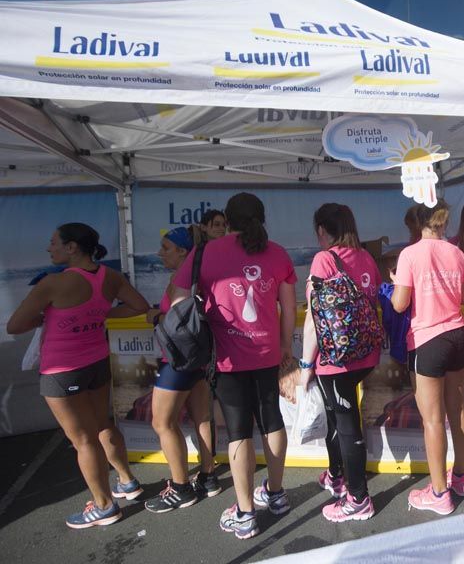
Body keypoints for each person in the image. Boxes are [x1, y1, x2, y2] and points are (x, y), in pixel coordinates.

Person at [7, 223, 149, 529]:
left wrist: (47, 315)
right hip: (96, 362)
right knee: (102, 426)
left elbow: (14, 326)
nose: (49, 248)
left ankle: (103, 506)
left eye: (53, 242)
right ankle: (126, 482)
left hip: (62, 372)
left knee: (83, 441)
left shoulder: (53, 284)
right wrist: (102, 314)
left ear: (72, 247)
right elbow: (139, 307)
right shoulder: (109, 277)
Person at [172, 193, 297, 539]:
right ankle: (275, 493)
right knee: (272, 419)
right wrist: (286, 346)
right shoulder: (278, 253)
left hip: (226, 358)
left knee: (239, 431)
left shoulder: (204, 253)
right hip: (268, 352)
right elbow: (289, 306)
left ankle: (245, 513)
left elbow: (179, 301)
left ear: (226, 220)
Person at [300, 203, 382, 522]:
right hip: (366, 356)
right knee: (338, 419)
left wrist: (305, 367)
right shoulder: (366, 257)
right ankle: (337, 477)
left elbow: (313, 319)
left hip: (336, 361)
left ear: (322, 230)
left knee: (346, 426)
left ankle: (358, 498)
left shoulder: (324, 259)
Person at [391, 201, 464, 515]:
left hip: (428, 339)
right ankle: (460, 477)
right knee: (457, 409)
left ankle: (439, 492)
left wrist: (398, 280)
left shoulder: (410, 254)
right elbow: (463, 297)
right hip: (458, 335)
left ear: (418, 221)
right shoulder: (458, 253)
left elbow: (399, 305)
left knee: (433, 420)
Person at [144, 226, 220, 513]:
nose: (159, 253)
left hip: (178, 360)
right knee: (201, 417)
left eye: (165, 248)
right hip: (200, 357)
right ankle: (209, 476)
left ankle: (180, 488)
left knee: (162, 423)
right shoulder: (203, 275)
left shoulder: (180, 279)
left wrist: (155, 315)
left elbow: (174, 320)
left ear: (183, 252)